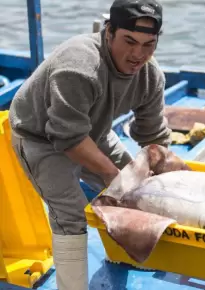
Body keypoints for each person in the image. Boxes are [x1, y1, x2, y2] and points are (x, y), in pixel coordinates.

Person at [8, 0, 171, 289]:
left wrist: (166, 181)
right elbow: (67, 137)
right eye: (129, 41)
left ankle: (129, 253)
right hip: (41, 137)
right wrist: (112, 176)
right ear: (108, 32)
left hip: (94, 129)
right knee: (71, 215)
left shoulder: (150, 76)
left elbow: (154, 136)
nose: (138, 55)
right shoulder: (79, 65)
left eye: (149, 45)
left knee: (140, 189)